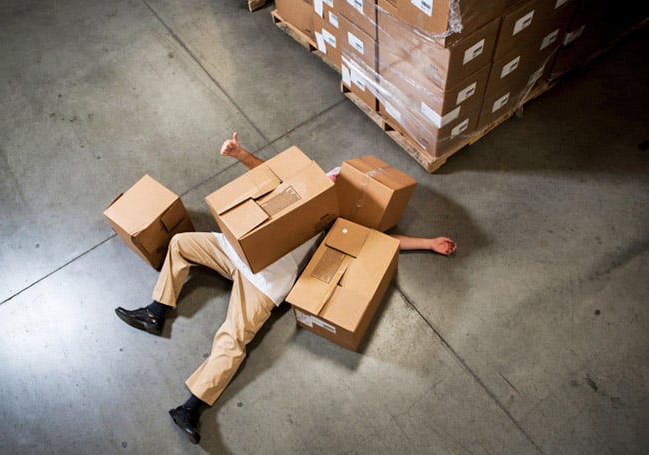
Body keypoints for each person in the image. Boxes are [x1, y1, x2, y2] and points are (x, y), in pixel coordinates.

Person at [114, 133, 457, 444]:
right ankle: (156, 312)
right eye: (335, 177)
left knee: (232, 339)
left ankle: (190, 408)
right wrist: (239, 153)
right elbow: (269, 174)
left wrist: (427, 243)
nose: (334, 181)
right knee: (181, 244)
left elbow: (379, 241)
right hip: (233, 248)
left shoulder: (348, 220)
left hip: (264, 282)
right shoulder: (315, 183)